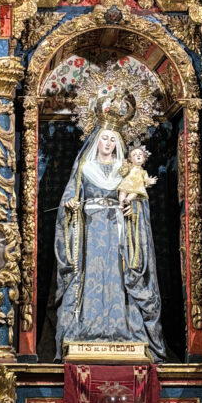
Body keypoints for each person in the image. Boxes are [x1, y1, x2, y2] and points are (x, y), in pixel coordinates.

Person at [53, 114, 166, 362]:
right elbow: (70, 198)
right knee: (90, 275)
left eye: (113, 140)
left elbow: (138, 198)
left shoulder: (125, 170)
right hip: (90, 230)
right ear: (96, 140)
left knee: (118, 273)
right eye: (104, 138)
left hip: (117, 229)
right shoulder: (84, 168)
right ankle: (85, 331)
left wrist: (132, 209)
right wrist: (71, 206)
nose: (108, 144)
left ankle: (123, 331)